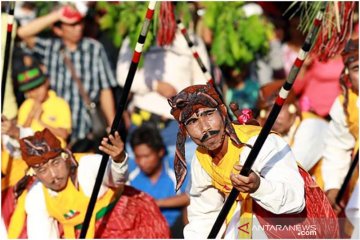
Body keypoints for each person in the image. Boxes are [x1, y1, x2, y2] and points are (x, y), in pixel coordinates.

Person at [168, 83, 338, 238]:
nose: (204, 127)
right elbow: (205, 215)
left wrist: (258, 187)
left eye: (208, 114)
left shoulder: (258, 143)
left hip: (296, 222)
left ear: (223, 112)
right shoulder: (201, 158)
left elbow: (295, 201)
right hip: (245, 216)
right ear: (185, 132)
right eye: (192, 121)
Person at [6, 128, 170, 239]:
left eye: (55, 164)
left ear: (64, 156)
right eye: (43, 171)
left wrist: (118, 160)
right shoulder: (36, 197)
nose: (53, 175)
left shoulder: (88, 165)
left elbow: (115, 177)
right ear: (33, 173)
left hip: (131, 223)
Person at [17, 4, 118, 148]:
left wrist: (111, 125)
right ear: (58, 29)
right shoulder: (50, 46)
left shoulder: (94, 48)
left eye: (79, 23)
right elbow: (22, 33)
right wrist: (58, 15)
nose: (79, 28)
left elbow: (105, 89)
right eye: (72, 25)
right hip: (56, 131)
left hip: (85, 130)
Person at [256, 80, 328, 187]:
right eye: (266, 112)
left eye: (277, 111)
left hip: (329, 193)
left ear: (292, 107)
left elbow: (294, 169)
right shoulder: (278, 132)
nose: (271, 117)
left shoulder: (311, 125)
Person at [321, 38, 358, 237]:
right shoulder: (345, 104)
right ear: (347, 75)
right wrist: (334, 186)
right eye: (357, 68)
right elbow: (337, 147)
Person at [128, 125, 190, 238]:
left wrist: (155, 203)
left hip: (175, 229)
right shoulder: (129, 171)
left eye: (147, 156)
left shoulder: (179, 168)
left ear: (160, 152)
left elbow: (190, 196)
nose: (142, 162)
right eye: (138, 157)